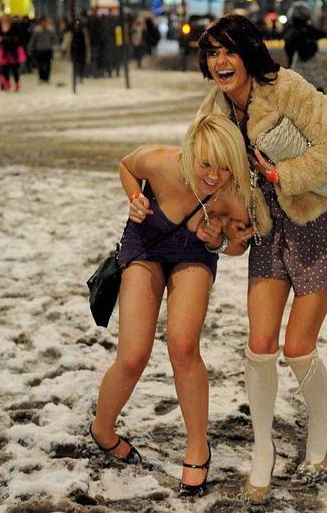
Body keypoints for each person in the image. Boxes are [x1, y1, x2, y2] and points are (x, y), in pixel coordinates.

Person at [196, 14, 327, 503]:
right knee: (261, 342)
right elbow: (208, 173)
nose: (220, 62)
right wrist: (225, 220)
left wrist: (280, 175)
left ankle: (319, 433)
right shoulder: (214, 110)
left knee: (297, 347)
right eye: (212, 53)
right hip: (268, 234)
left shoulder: (288, 88)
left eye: (228, 51)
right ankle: (262, 450)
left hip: (317, 225)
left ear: (249, 52)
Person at [90, 114, 251, 497]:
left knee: (182, 345)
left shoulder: (233, 194)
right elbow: (126, 166)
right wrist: (135, 198)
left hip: (194, 252)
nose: (214, 175)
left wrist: (218, 240)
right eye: (206, 164)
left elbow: (240, 243)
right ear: (190, 152)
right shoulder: (161, 161)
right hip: (145, 244)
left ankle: (198, 446)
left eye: (226, 167)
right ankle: (102, 428)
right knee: (132, 355)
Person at [283, 1, 327, 93]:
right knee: (317, 96)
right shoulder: (308, 31)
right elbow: (323, 34)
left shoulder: (290, 32)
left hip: (295, 69)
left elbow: (289, 51)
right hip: (311, 69)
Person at [0, 14, 26, 91]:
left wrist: (9, 39)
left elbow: (18, 38)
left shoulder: (14, 27)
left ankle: (16, 83)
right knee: (4, 69)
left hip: (12, 51)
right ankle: (6, 84)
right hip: (3, 51)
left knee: (14, 69)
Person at [27, 17, 57, 83]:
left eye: (46, 22)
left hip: (48, 50)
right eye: (43, 22)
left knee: (48, 64)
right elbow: (33, 40)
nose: (44, 23)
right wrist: (30, 48)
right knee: (40, 64)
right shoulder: (37, 30)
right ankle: (41, 77)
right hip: (40, 50)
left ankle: (46, 78)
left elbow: (54, 38)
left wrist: (53, 45)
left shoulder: (50, 30)